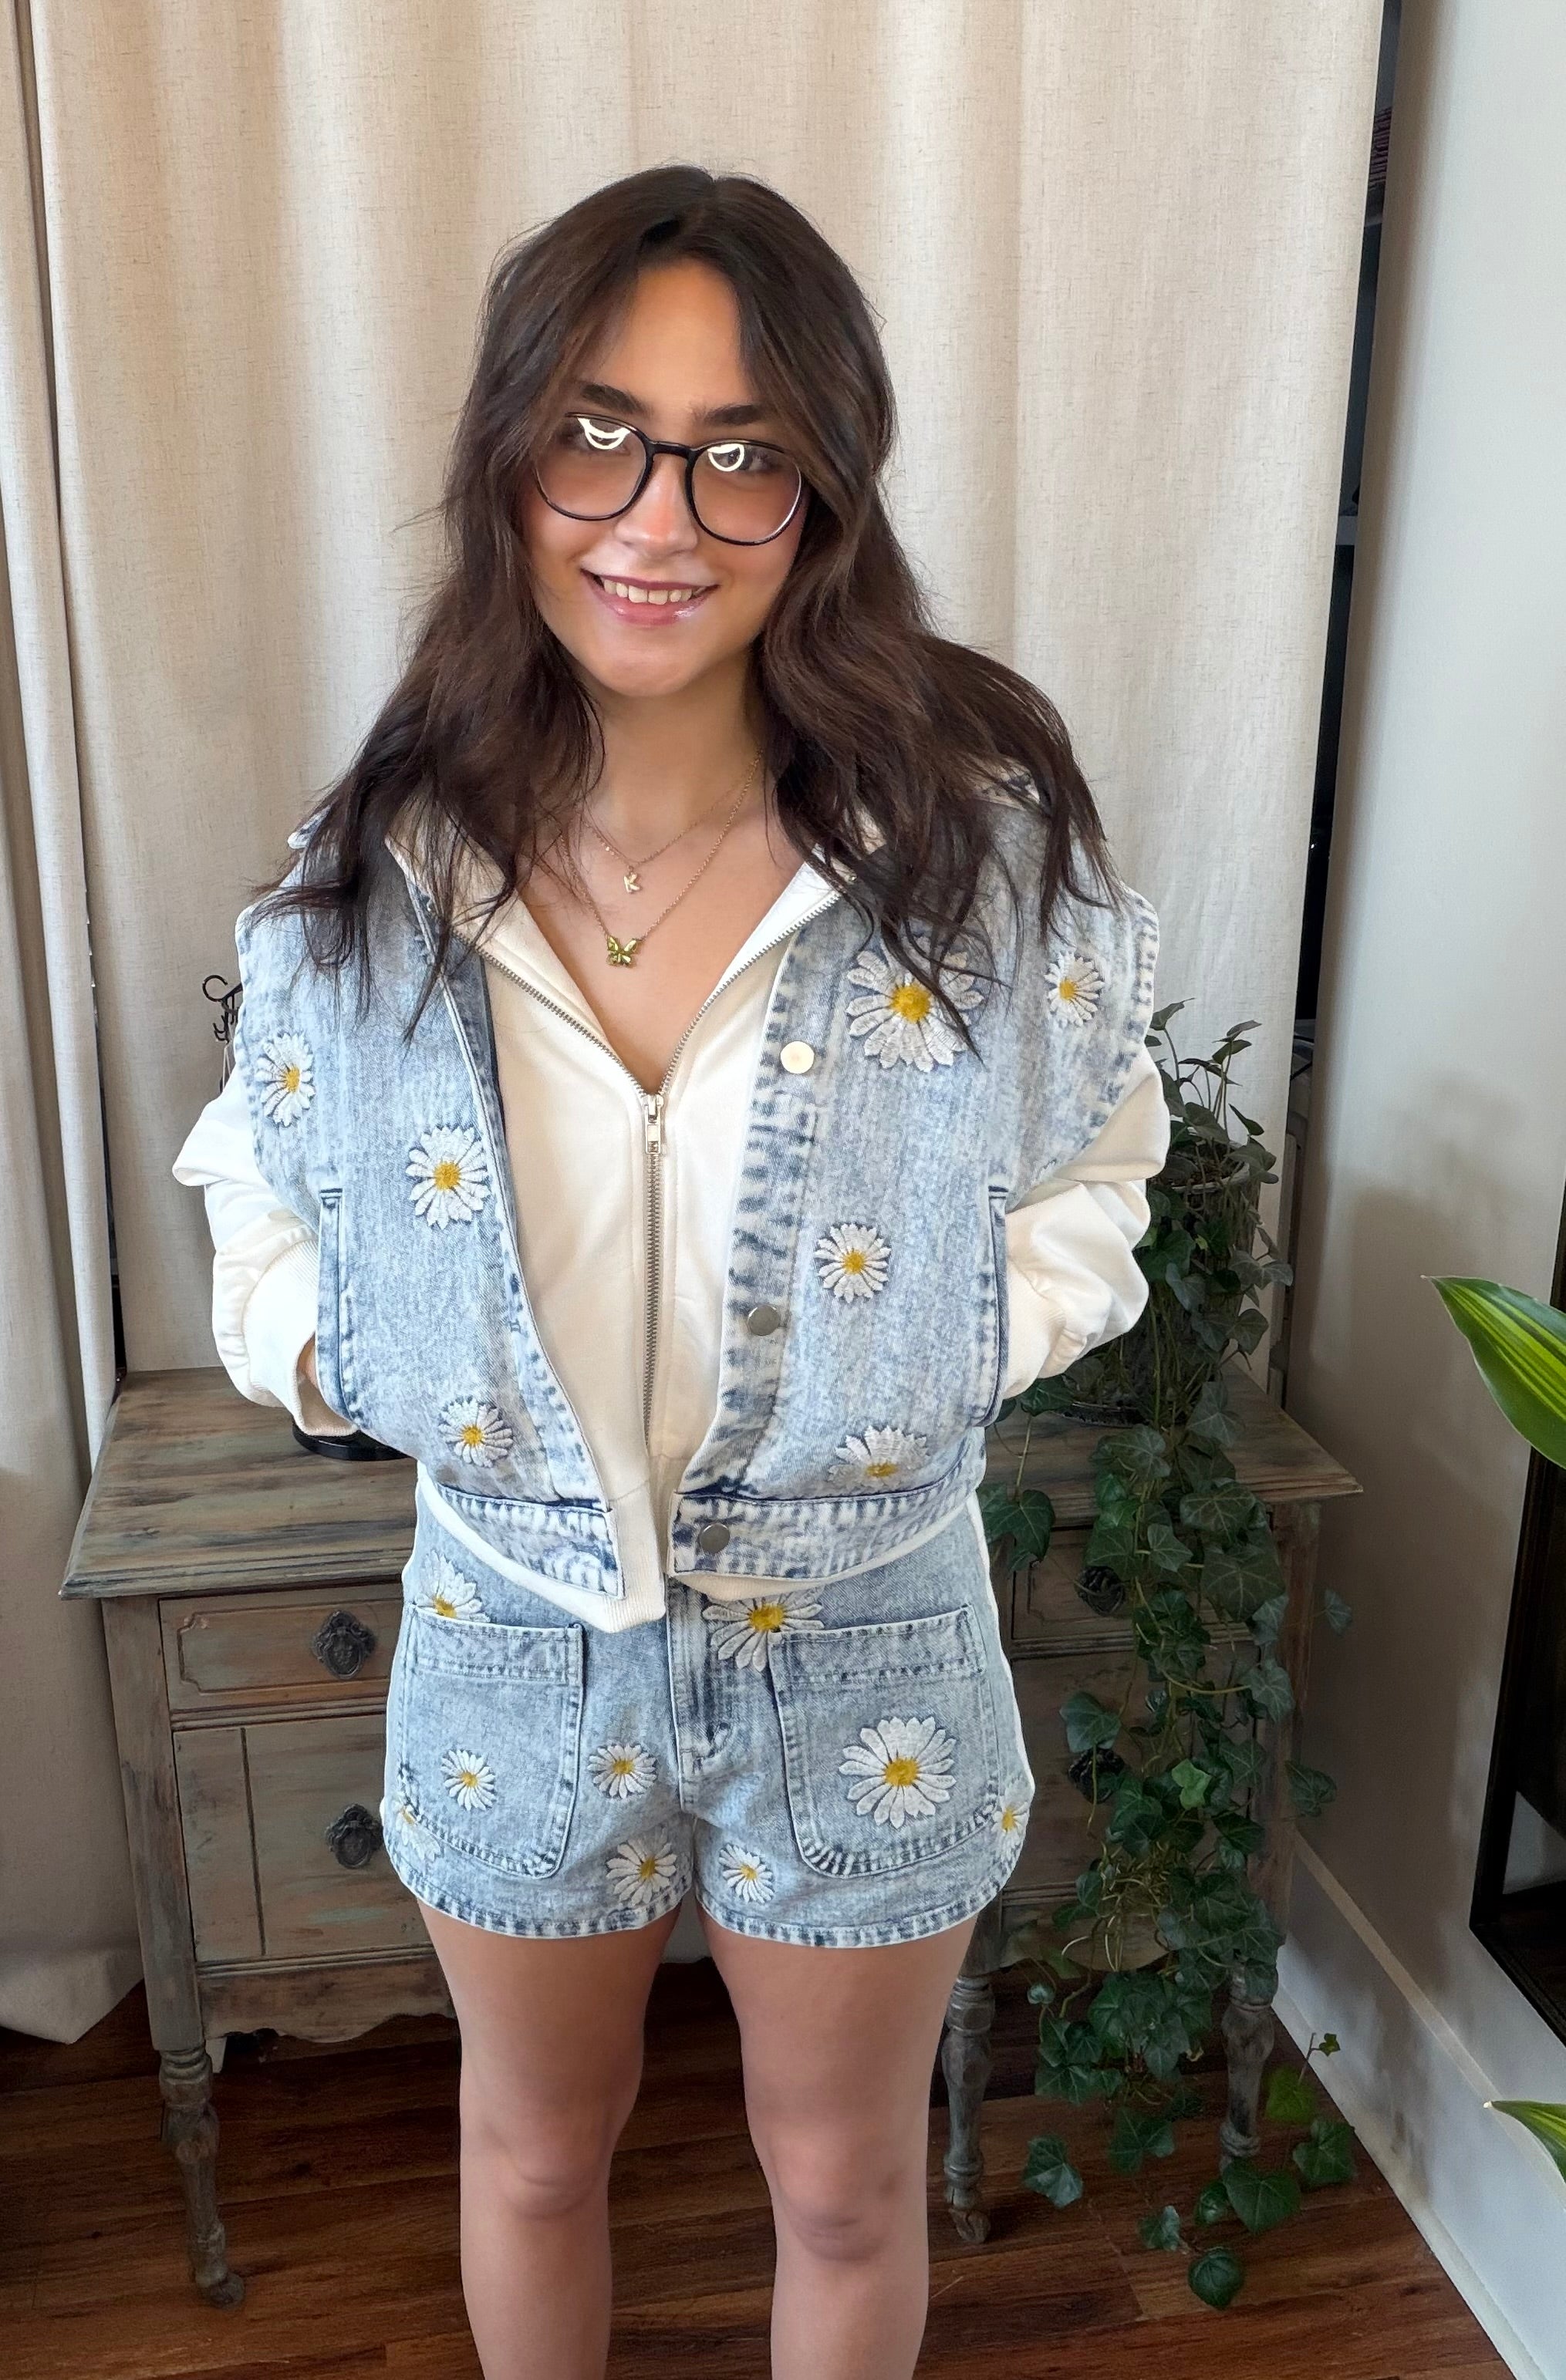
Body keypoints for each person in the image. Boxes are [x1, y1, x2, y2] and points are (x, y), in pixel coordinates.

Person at [173, 164, 1168, 2380]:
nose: (660, 514)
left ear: (822, 495)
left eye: (744, 454)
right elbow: (258, 1155)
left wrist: (976, 1334)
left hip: (870, 1631)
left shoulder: (959, 858)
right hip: (510, 1629)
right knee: (533, 2153)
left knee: (836, 2181)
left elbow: (1105, 1144)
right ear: (512, 455)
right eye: (597, 433)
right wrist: (321, 1339)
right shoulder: (392, 868)